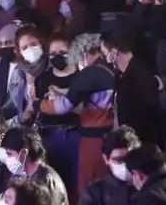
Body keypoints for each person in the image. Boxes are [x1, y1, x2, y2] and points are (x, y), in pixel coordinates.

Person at [37, 32, 116, 193]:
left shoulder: (90, 73)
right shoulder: (108, 70)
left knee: (89, 188)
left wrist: (39, 104)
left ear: (83, 55)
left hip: (92, 138)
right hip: (108, 134)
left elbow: (63, 107)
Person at [0, 127, 74, 205]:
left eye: (10, 154)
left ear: (24, 154)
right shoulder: (26, 177)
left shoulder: (48, 181)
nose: (7, 160)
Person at [31, 32, 80, 191]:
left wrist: (62, 98)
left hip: (75, 135)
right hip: (48, 136)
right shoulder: (43, 78)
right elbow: (36, 105)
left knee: (74, 183)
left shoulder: (82, 77)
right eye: (52, 54)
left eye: (63, 52)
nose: (57, 57)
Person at [101, 27, 162, 145]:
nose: (105, 59)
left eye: (104, 54)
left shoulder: (141, 76)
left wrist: (131, 139)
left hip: (141, 144)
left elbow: (148, 114)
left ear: (113, 53)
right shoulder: (120, 75)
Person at [0, 23, 29, 128]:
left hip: (20, 124)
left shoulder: (27, 67)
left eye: (8, 43)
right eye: (0, 44)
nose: (4, 47)